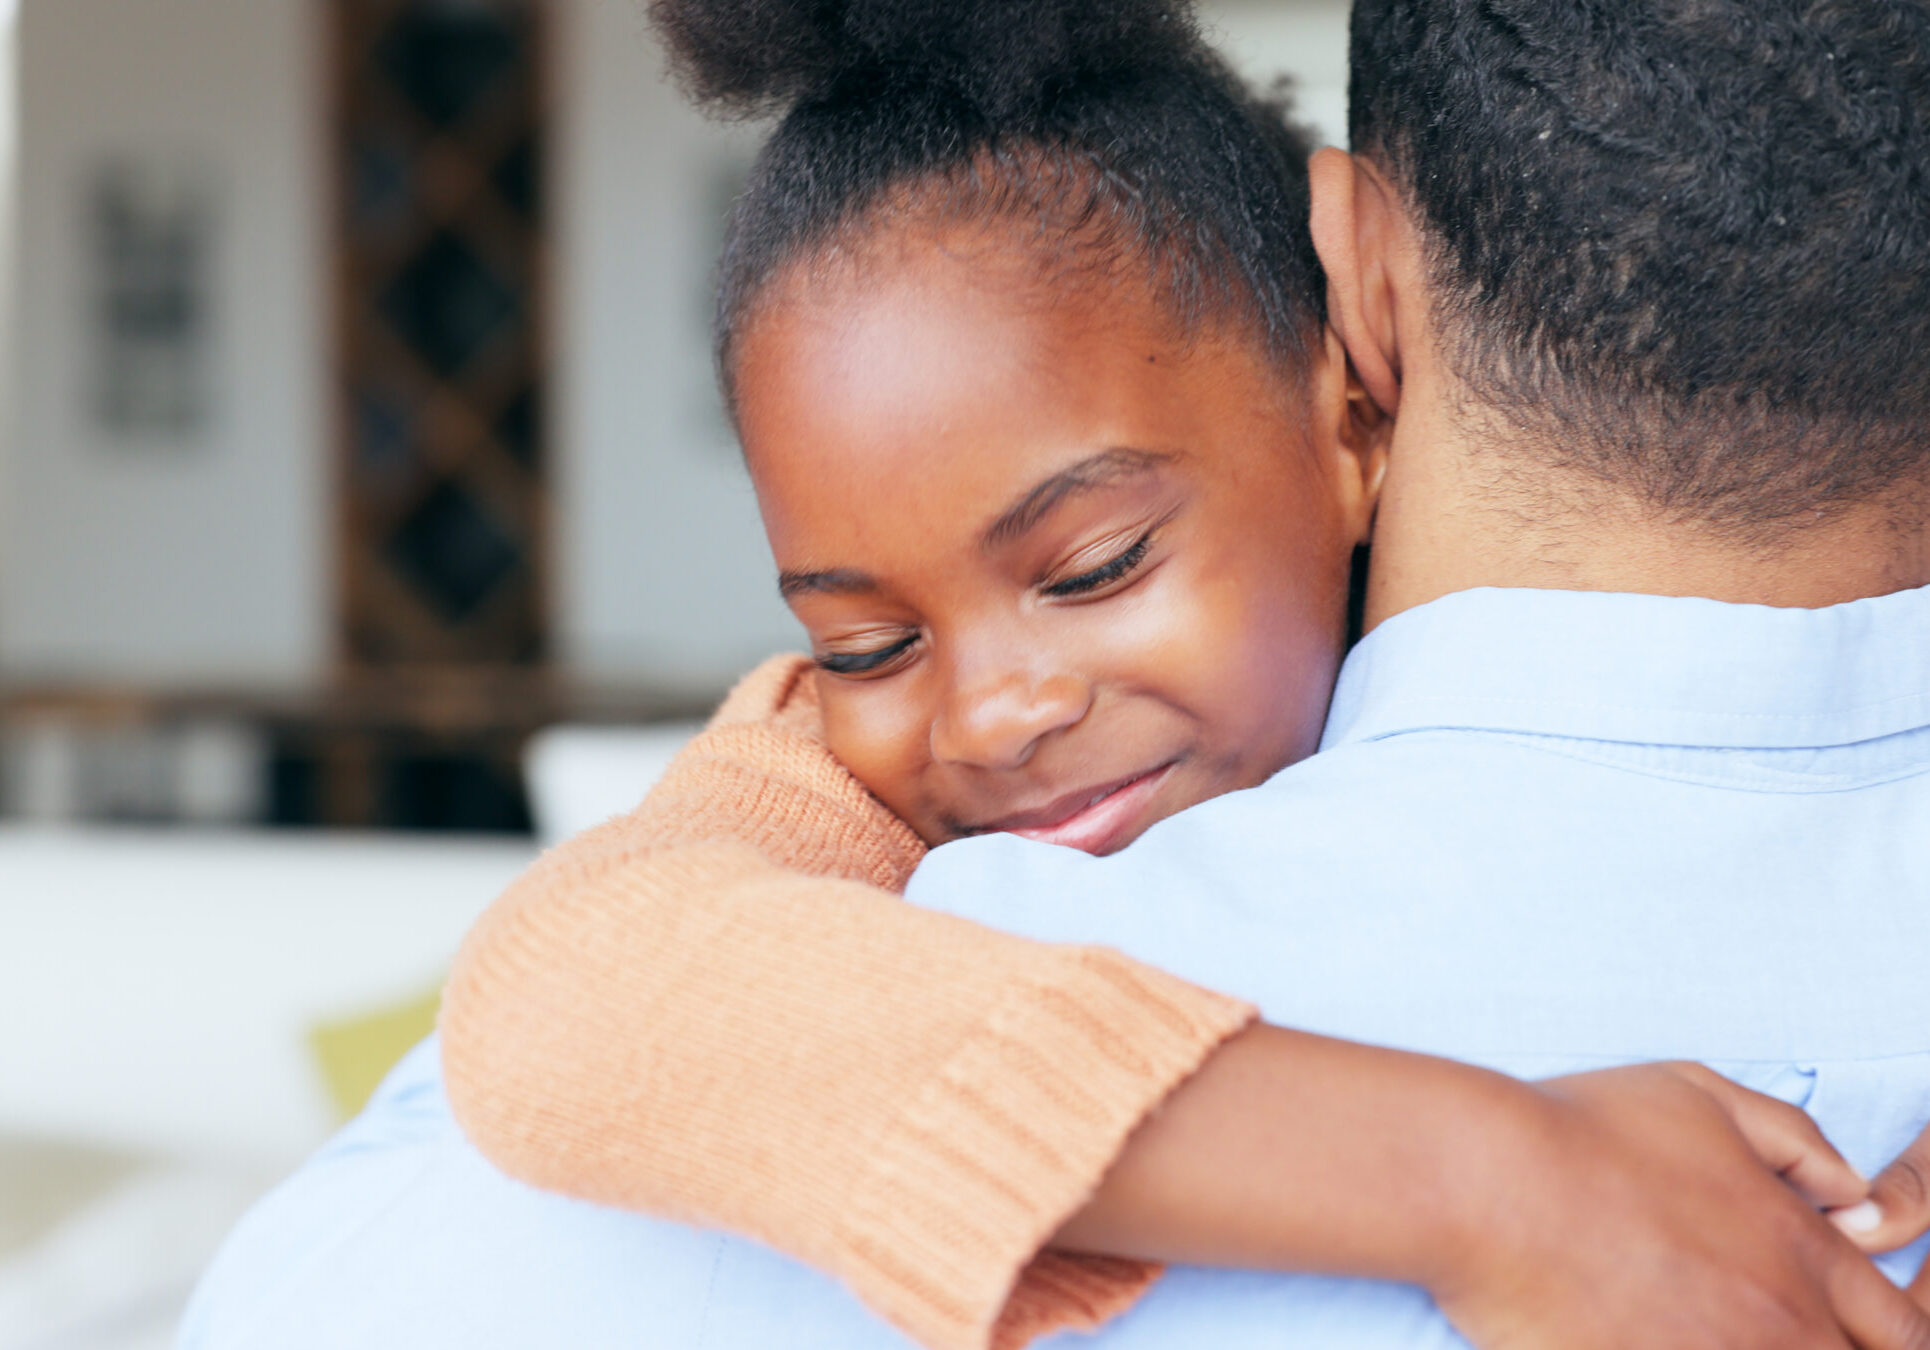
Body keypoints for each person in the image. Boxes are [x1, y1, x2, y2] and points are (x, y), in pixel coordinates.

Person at [182, 2, 1930, 1348]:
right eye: (858, 641)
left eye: (1092, 569)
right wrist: (1491, 1178)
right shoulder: (838, 854)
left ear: (1351, 357)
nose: (997, 708)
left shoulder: (510, 1226)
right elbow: (580, 997)